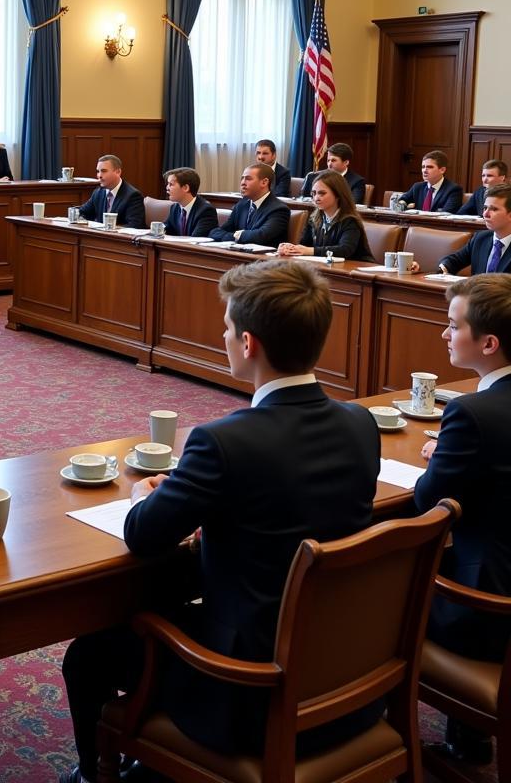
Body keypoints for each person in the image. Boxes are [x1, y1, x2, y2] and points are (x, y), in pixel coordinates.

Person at [59, 260, 380, 783]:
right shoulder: (360, 423)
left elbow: (144, 534)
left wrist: (144, 493)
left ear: (249, 343)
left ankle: (96, 775)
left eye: (228, 328)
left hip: (251, 692)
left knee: (89, 655)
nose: (223, 336)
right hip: (346, 675)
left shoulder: (222, 442)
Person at [415, 274, 511, 765]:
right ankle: (468, 737)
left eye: (453, 326)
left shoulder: (473, 414)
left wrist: (440, 458)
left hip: (485, 609)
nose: (444, 335)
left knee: (368, 595)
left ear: (489, 343)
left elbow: (426, 505)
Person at [278, 170, 373, 260]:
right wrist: (291, 249)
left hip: (355, 270)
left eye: (322, 193)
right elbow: (305, 245)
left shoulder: (350, 220)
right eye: (314, 193)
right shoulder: (313, 218)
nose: (316, 198)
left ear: (338, 195)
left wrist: (310, 251)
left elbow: (345, 250)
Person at [209, 163, 290, 247]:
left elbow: (260, 236)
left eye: (248, 179)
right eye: (242, 179)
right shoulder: (241, 205)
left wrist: (237, 235)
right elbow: (215, 232)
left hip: (264, 259)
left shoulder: (279, 209)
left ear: (264, 182)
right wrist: (236, 236)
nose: (243, 183)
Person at [437, 184, 511, 275]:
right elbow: (454, 260)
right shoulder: (481, 238)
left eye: (494, 209)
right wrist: (443, 268)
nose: (485, 214)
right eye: (485, 208)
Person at [77, 154, 145, 228]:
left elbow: (134, 226)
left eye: (104, 171)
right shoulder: (98, 192)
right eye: (98, 171)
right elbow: (82, 213)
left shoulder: (133, 196)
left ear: (118, 172)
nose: (99, 175)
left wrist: (109, 229)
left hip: (120, 238)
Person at [299, 142, 367, 204]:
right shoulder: (313, 176)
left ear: (346, 162)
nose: (329, 164)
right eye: (328, 160)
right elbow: (302, 200)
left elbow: (352, 203)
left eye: (333, 160)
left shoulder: (357, 181)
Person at [398, 150, 463, 213]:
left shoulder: (453, 190)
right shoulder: (417, 187)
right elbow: (402, 200)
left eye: (429, 167)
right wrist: (403, 204)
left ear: (442, 170)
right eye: (423, 167)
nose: (424, 170)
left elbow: (447, 213)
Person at [162, 166, 218, 237]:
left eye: (171, 184)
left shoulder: (206, 211)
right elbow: (167, 228)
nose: (167, 188)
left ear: (186, 188)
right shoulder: (175, 207)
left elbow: (195, 239)